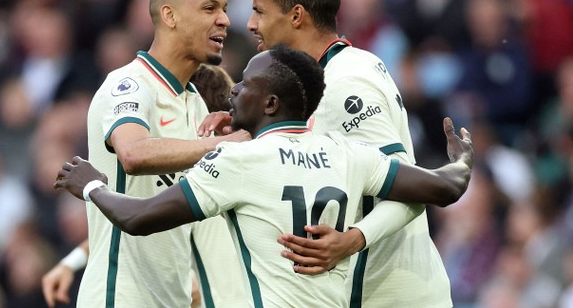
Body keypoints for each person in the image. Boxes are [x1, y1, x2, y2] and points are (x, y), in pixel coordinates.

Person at [54, 45, 474, 308]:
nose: (234, 90)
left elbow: (139, 218)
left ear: (271, 102)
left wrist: (91, 184)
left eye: (246, 84)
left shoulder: (240, 163)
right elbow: (446, 187)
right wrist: (462, 159)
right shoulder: (349, 153)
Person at [198, 0, 455, 307]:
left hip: (393, 291)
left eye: (260, 11)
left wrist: (353, 239)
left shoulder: (347, 82)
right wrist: (248, 129)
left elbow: (409, 188)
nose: (250, 23)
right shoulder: (321, 78)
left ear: (297, 16)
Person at [42, 0, 251, 308]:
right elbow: (133, 154)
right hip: (121, 295)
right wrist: (224, 146)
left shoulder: (196, 104)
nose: (225, 20)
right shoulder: (129, 84)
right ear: (169, 15)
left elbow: (165, 207)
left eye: (225, 9)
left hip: (173, 298)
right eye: (209, 8)